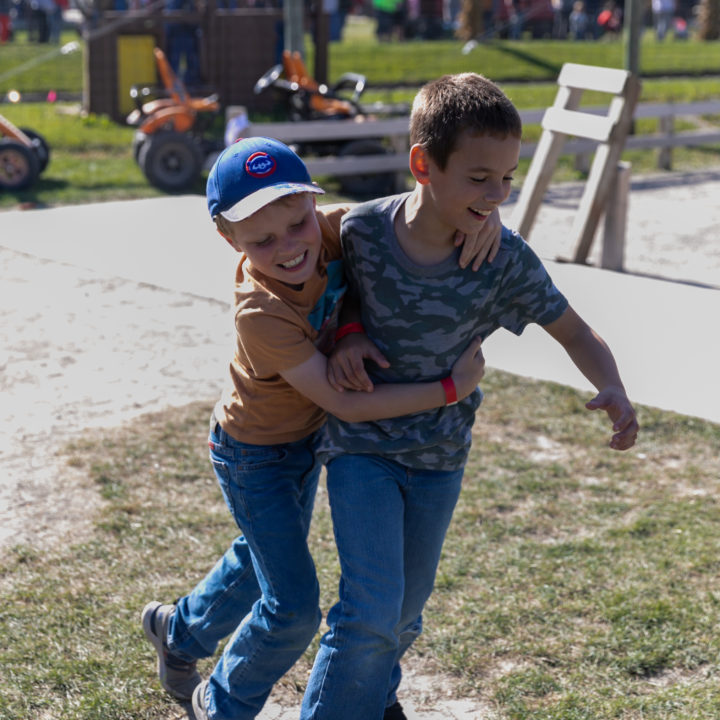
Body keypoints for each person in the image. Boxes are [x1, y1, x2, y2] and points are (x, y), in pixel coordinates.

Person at [300, 72, 639, 720]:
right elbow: (327, 291)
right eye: (480, 178)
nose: (496, 193)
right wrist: (344, 336)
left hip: (439, 460)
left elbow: (572, 329)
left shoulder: (503, 259)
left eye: (507, 178)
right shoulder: (361, 231)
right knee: (368, 612)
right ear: (423, 164)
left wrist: (614, 385)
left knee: (401, 618)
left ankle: (375, 699)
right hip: (361, 450)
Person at [140, 136, 497, 720]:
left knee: (262, 557)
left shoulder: (331, 229)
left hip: (308, 441)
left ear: (313, 204)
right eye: (261, 239)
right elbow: (346, 403)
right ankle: (221, 703)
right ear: (229, 240)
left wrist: (487, 210)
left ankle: (178, 632)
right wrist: (451, 389)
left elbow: (423, 206)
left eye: (297, 222)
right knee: (293, 605)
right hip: (254, 454)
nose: (288, 246)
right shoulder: (260, 310)